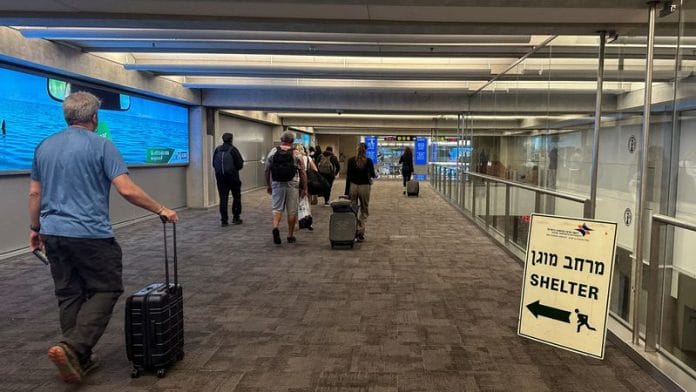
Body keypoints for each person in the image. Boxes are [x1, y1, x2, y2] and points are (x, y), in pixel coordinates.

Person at [28, 91, 178, 384]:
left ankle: (79, 359)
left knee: (69, 294)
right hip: (90, 234)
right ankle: (71, 348)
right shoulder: (102, 145)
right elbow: (127, 189)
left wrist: (35, 229)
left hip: (53, 233)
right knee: (107, 288)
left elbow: (35, 192)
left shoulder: (43, 146)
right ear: (94, 118)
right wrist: (161, 209)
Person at [265, 131, 308, 244]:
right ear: (292, 141)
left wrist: (269, 184)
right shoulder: (296, 153)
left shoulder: (273, 152)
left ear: (281, 139)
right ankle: (290, 235)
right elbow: (303, 172)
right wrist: (305, 188)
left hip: (277, 183)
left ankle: (275, 227)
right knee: (292, 211)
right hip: (292, 183)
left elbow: (267, 170)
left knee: (277, 209)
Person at [344, 142, 377, 242]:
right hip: (365, 187)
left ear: (357, 149)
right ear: (365, 150)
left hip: (353, 186)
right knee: (364, 210)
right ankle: (360, 232)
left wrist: (346, 191)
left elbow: (348, 177)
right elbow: (373, 174)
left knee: (353, 209)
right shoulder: (369, 161)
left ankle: (354, 230)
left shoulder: (350, 161)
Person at [212, 132, 244, 226]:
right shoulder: (233, 150)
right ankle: (236, 217)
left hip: (220, 178)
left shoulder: (217, 150)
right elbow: (239, 164)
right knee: (236, 197)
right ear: (231, 139)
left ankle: (224, 220)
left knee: (223, 198)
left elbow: (214, 164)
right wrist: (233, 170)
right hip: (233, 177)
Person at [295, 144, 317, 231]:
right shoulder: (308, 158)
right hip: (306, 182)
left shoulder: (294, 158)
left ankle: (298, 221)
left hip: (295, 182)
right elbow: (315, 170)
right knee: (307, 202)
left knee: (297, 202)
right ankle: (308, 221)